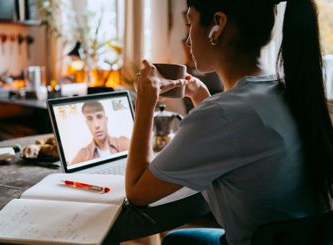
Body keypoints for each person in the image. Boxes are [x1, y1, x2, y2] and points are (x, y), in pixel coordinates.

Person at [125, 0, 333, 245]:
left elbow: (137, 190)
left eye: (190, 23)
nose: (188, 40)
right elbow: (234, 137)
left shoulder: (223, 114)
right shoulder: (286, 91)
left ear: (218, 26)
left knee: (173, 241)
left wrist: (145, 102)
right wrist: (201, 96)